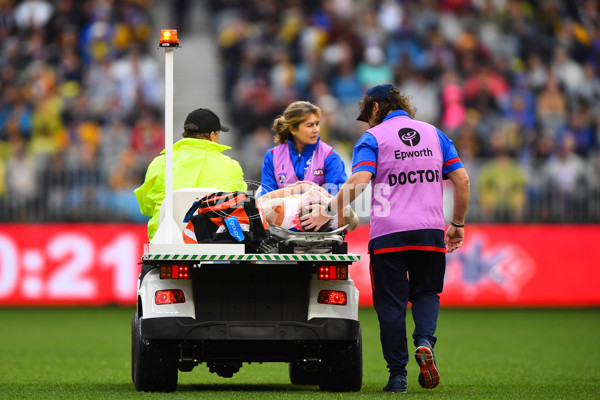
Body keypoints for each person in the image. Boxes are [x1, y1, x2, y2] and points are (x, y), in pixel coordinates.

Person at [301, 84, 470, 393]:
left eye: (368, 115)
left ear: (376, 108)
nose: (368, 122)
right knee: (427, 294)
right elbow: (461, 179)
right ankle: (424, 341)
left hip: (389, 234)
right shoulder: (434, 134)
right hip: (430, 231)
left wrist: (328, 210)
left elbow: (360, 180)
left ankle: (397, 377)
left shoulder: (373, 138)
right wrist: (457, 223)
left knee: (391, 307)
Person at [135, 108, 247, 241]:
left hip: (167, 245)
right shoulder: (231, 166)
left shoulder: (160, 163)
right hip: (213, 244)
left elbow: (146, 208)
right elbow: (239, 205)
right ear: (212, 136)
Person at [258, 101, 347, 197]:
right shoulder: (272, 156)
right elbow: (266, 197)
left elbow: (339, 199)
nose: (316, 130)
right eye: (310, 125)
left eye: (317, 124)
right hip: (282, 211)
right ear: (293, 129)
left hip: (320, 211)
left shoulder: (329, 156)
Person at [258, 181, 358, 232]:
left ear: (298, 209)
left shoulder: (280, 210)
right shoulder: (340, 215)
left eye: (310, 199)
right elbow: (354, 224)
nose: (314, 192)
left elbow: (260, 201)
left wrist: (298, 189)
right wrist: (318, 189)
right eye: (320, 200)